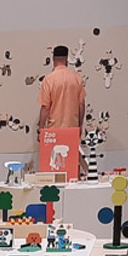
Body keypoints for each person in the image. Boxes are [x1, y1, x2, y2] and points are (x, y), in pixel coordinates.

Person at [36, 44, 86, 174]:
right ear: (67, 58)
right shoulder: (76, 78)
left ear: (53, 59)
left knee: (53, 167)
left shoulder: (49, 80)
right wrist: (80, 125)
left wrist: (41, 129)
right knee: (72, 166)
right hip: (72, 127)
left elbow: (45, 107)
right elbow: (81, 104)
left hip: (54, 129)